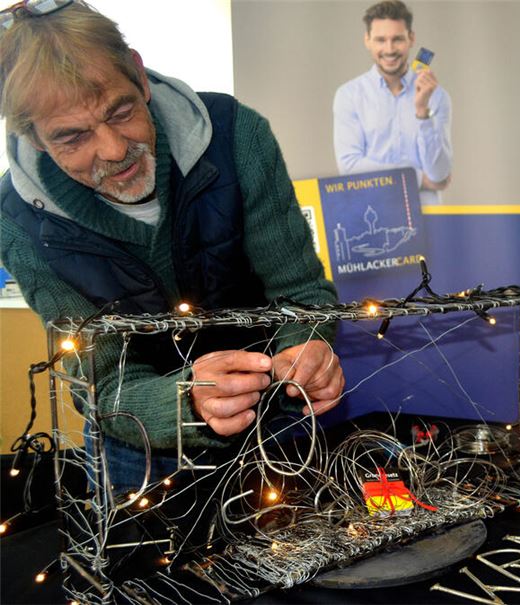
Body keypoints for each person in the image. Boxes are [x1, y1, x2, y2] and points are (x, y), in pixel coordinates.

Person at [0, 0, 345, 489]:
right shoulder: (17, 221)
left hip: (276, 417)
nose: (114, 150)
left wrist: (307, 347)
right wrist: (184, 402)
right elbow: (101, 379)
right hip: (135, 452)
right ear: (33, 138)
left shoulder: (235, 136)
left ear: (139, 75)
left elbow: (302, 294)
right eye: (73, 138)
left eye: (121, 111)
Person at [333, 0, 452, 205]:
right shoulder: (349, 96)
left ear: (411, 38)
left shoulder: (437, 96)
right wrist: (418, 179)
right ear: (367, 40)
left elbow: (439, 175)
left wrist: (422, 111)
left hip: (427, 217)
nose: (389, 49)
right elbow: (350, 167)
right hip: (374, 215)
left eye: (397, 39)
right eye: (380, 40)